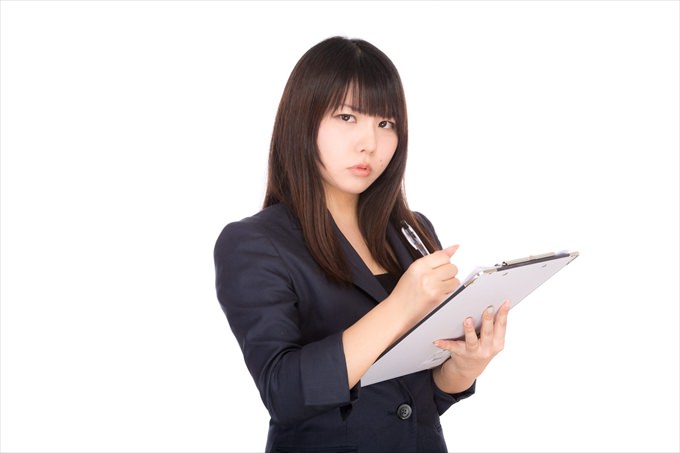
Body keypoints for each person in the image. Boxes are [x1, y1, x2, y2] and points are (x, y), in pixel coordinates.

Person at [214, 36, 510, 453]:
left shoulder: (410, 230)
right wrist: (400, 306)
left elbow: (414, 402)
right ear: (302, 121)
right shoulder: (254, 243)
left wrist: (464, 367)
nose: (369, 142)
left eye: (386, 123)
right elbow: (285, 393)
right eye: (347, 117)